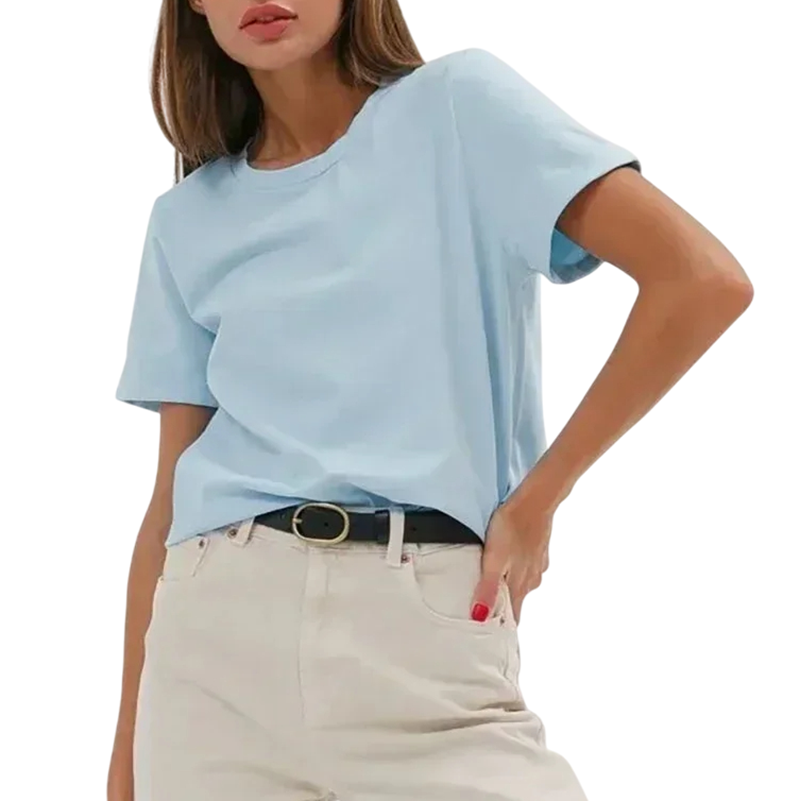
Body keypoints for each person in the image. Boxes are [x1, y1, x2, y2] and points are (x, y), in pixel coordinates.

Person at [107, 1, 754, 799]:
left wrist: (539, 499)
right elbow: (167, 502)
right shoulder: (186, 219)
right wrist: (126, 753)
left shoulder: (459, 108)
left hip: (423, 626)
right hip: (212, 656)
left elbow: (700, 281)